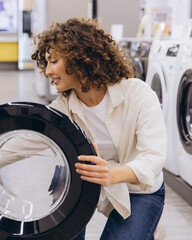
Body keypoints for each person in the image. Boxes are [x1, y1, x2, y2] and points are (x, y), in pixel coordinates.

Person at [31, 18, 167, 240]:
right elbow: (26, 138)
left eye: (53, 61)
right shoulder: (63, 108)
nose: (47, 71)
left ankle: (147, 227)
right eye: (45, 63)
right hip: (84, 185)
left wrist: (111, 174)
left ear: (79, 59)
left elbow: (153, 159)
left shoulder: (138, 95)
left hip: (139, 190)